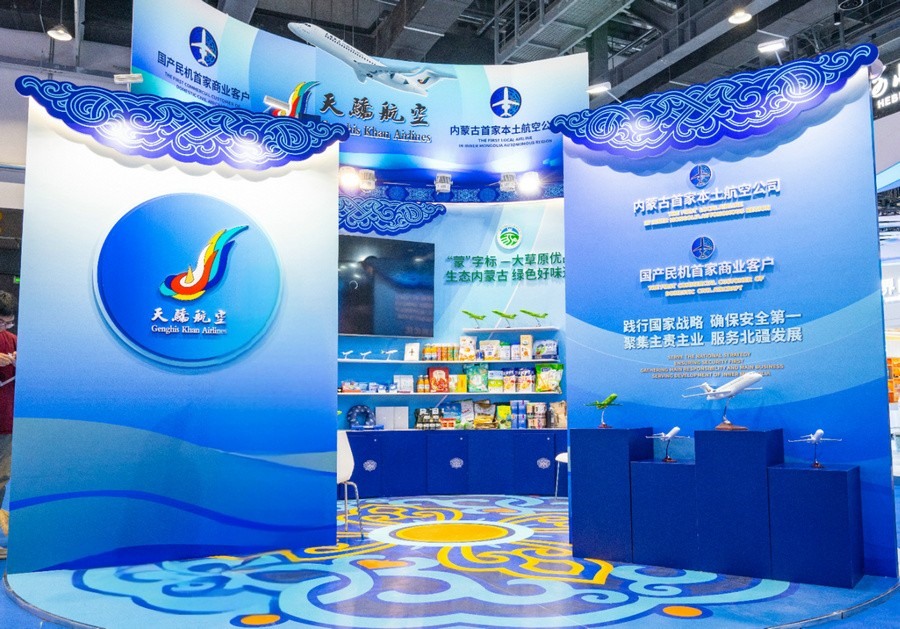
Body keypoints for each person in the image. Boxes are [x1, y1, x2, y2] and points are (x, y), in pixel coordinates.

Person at [0, 291, 17, 559]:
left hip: (6, 424)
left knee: (2, 479)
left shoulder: (13, 341)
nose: (4, 327)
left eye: (8, 322)